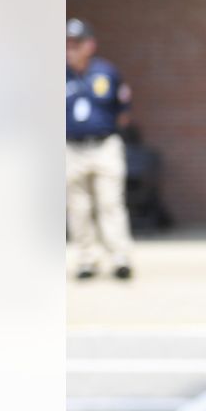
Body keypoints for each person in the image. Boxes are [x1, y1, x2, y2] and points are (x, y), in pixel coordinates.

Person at [66, 17, 134, 280]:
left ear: (90, 45)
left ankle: (120, 257)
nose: (70, 49)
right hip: (71, 148)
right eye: (67, 44)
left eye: (76, 44)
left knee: (110, 202)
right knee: (77, 206)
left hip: (104, 145)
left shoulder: (107, 72)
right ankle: (86, 259)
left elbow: (123, 110)